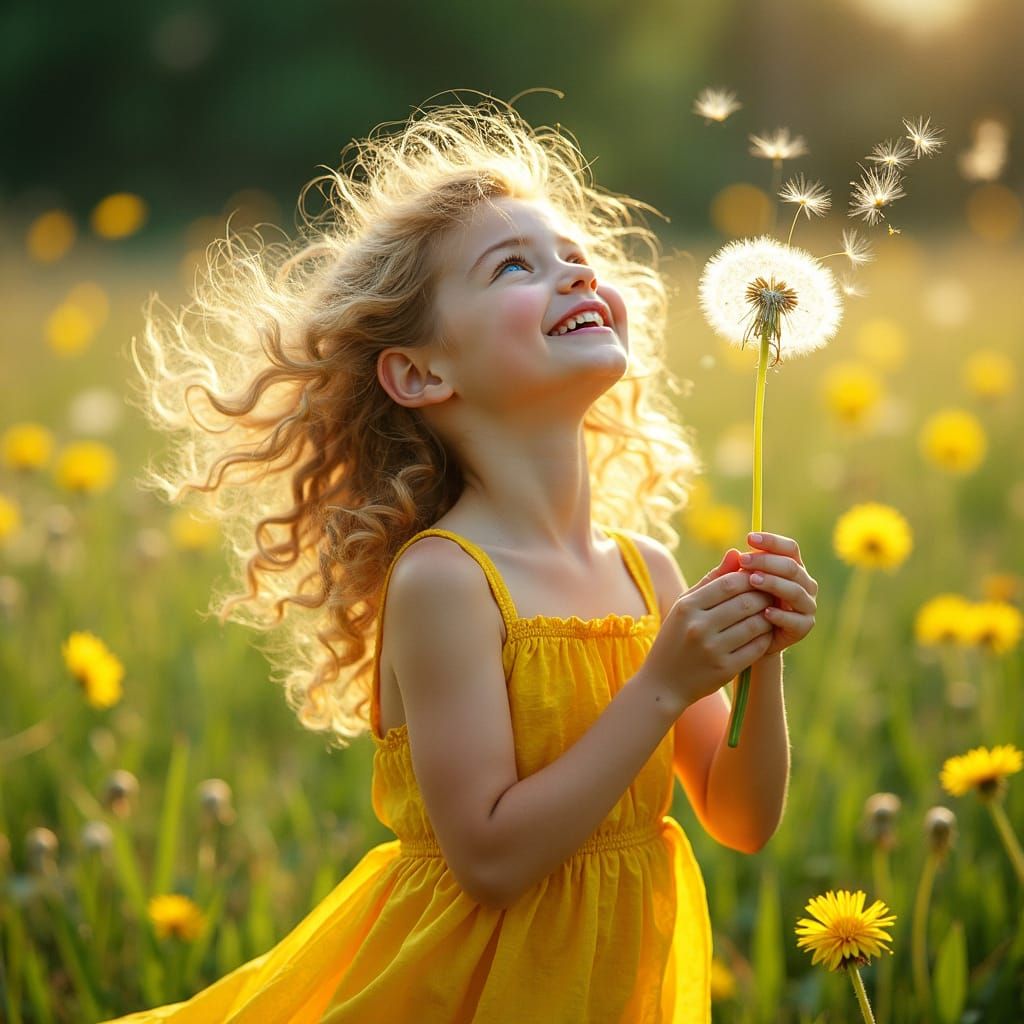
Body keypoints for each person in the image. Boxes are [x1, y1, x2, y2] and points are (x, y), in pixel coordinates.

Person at [102, 93, 817, 1023]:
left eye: (577, 257)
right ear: (421, 373)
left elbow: (741, 818)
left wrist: (762, 660)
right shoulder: (448, 579)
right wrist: (663, 684)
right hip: (462, 992)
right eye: (515, 266)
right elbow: (489, 860)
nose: (573, 276)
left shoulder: (649, 570)